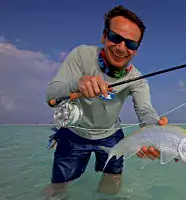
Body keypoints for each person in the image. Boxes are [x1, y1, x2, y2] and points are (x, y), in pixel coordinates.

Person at [44, 5, 169, 197]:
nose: (121, 48)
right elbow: (50, 95)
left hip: (111, 135)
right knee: (58, 187)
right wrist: (78, 83)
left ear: (136, 50)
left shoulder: (138, 79)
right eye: (115, 37)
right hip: (74, 132)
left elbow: (145, 111)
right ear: (104, 36)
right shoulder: (81, 55)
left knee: (113, 181)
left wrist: (155, 133)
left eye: (131, 44)